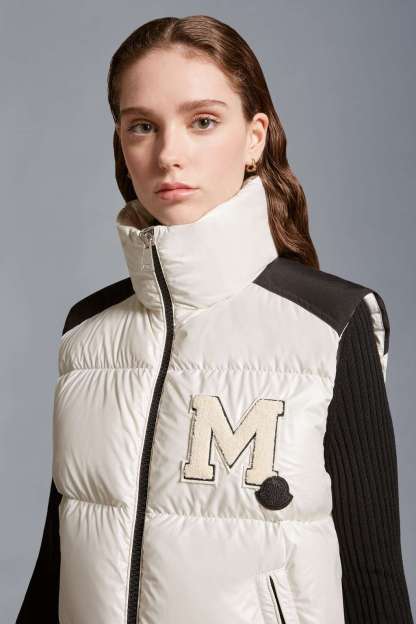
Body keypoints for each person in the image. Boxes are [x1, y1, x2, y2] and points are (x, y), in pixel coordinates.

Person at [16, 14, 413, 624]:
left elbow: (372, 577)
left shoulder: (331, 324)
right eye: (142, 126)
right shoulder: (88, 333)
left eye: (202, 121)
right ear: (121, 142)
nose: (168, 154)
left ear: (255, 138)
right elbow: (58, 565)